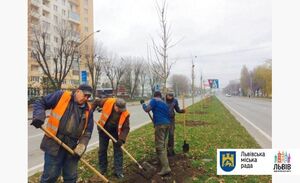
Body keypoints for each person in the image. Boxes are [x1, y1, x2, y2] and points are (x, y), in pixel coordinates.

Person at [31, 84, 94, 183]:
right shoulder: (62, 96)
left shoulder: (88, 110)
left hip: (72, 148)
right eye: (84, 95)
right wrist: (39, 115)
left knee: (71, 177)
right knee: (50, 177)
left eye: (88, 96)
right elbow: (41, 102)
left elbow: (88, 131)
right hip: (53, 144)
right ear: (78, 91)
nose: (86, 98)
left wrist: (82, 145)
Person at [92, 97, 130, 179]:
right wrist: (90, 111)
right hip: (103, 129)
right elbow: (96, 102)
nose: (121, 111)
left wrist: (121, 139)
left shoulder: (125, 113)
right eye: (119, 109)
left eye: (122, 109)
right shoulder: (108, 102)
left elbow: (126, 128)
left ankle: (118, 171)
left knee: (118, 151)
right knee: (102, 150)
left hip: (116, 132)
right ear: (116, 106)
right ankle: (103, 169)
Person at [140, 91, 171, 176]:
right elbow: (168, 114)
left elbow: (147, 109)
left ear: (154, 96)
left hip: (160, 125)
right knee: (163, 144)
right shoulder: (164, 103)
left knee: (159, 146)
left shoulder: (154, 100)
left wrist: (143, 104)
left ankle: (166, 167)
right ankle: (159, 160)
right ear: (161, 96)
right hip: (167, 124)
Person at [165, 91, 186, 156]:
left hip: (171, 119)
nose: (170, 97)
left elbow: (177, 110)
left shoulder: (175, 101)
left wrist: (182, 111)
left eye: (171, 96)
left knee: (171, 135)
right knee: (164, 135)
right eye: (169, 96)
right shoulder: (163, 100)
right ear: (166, 95)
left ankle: (171, 149)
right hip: (164, 119)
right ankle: (163, 150)